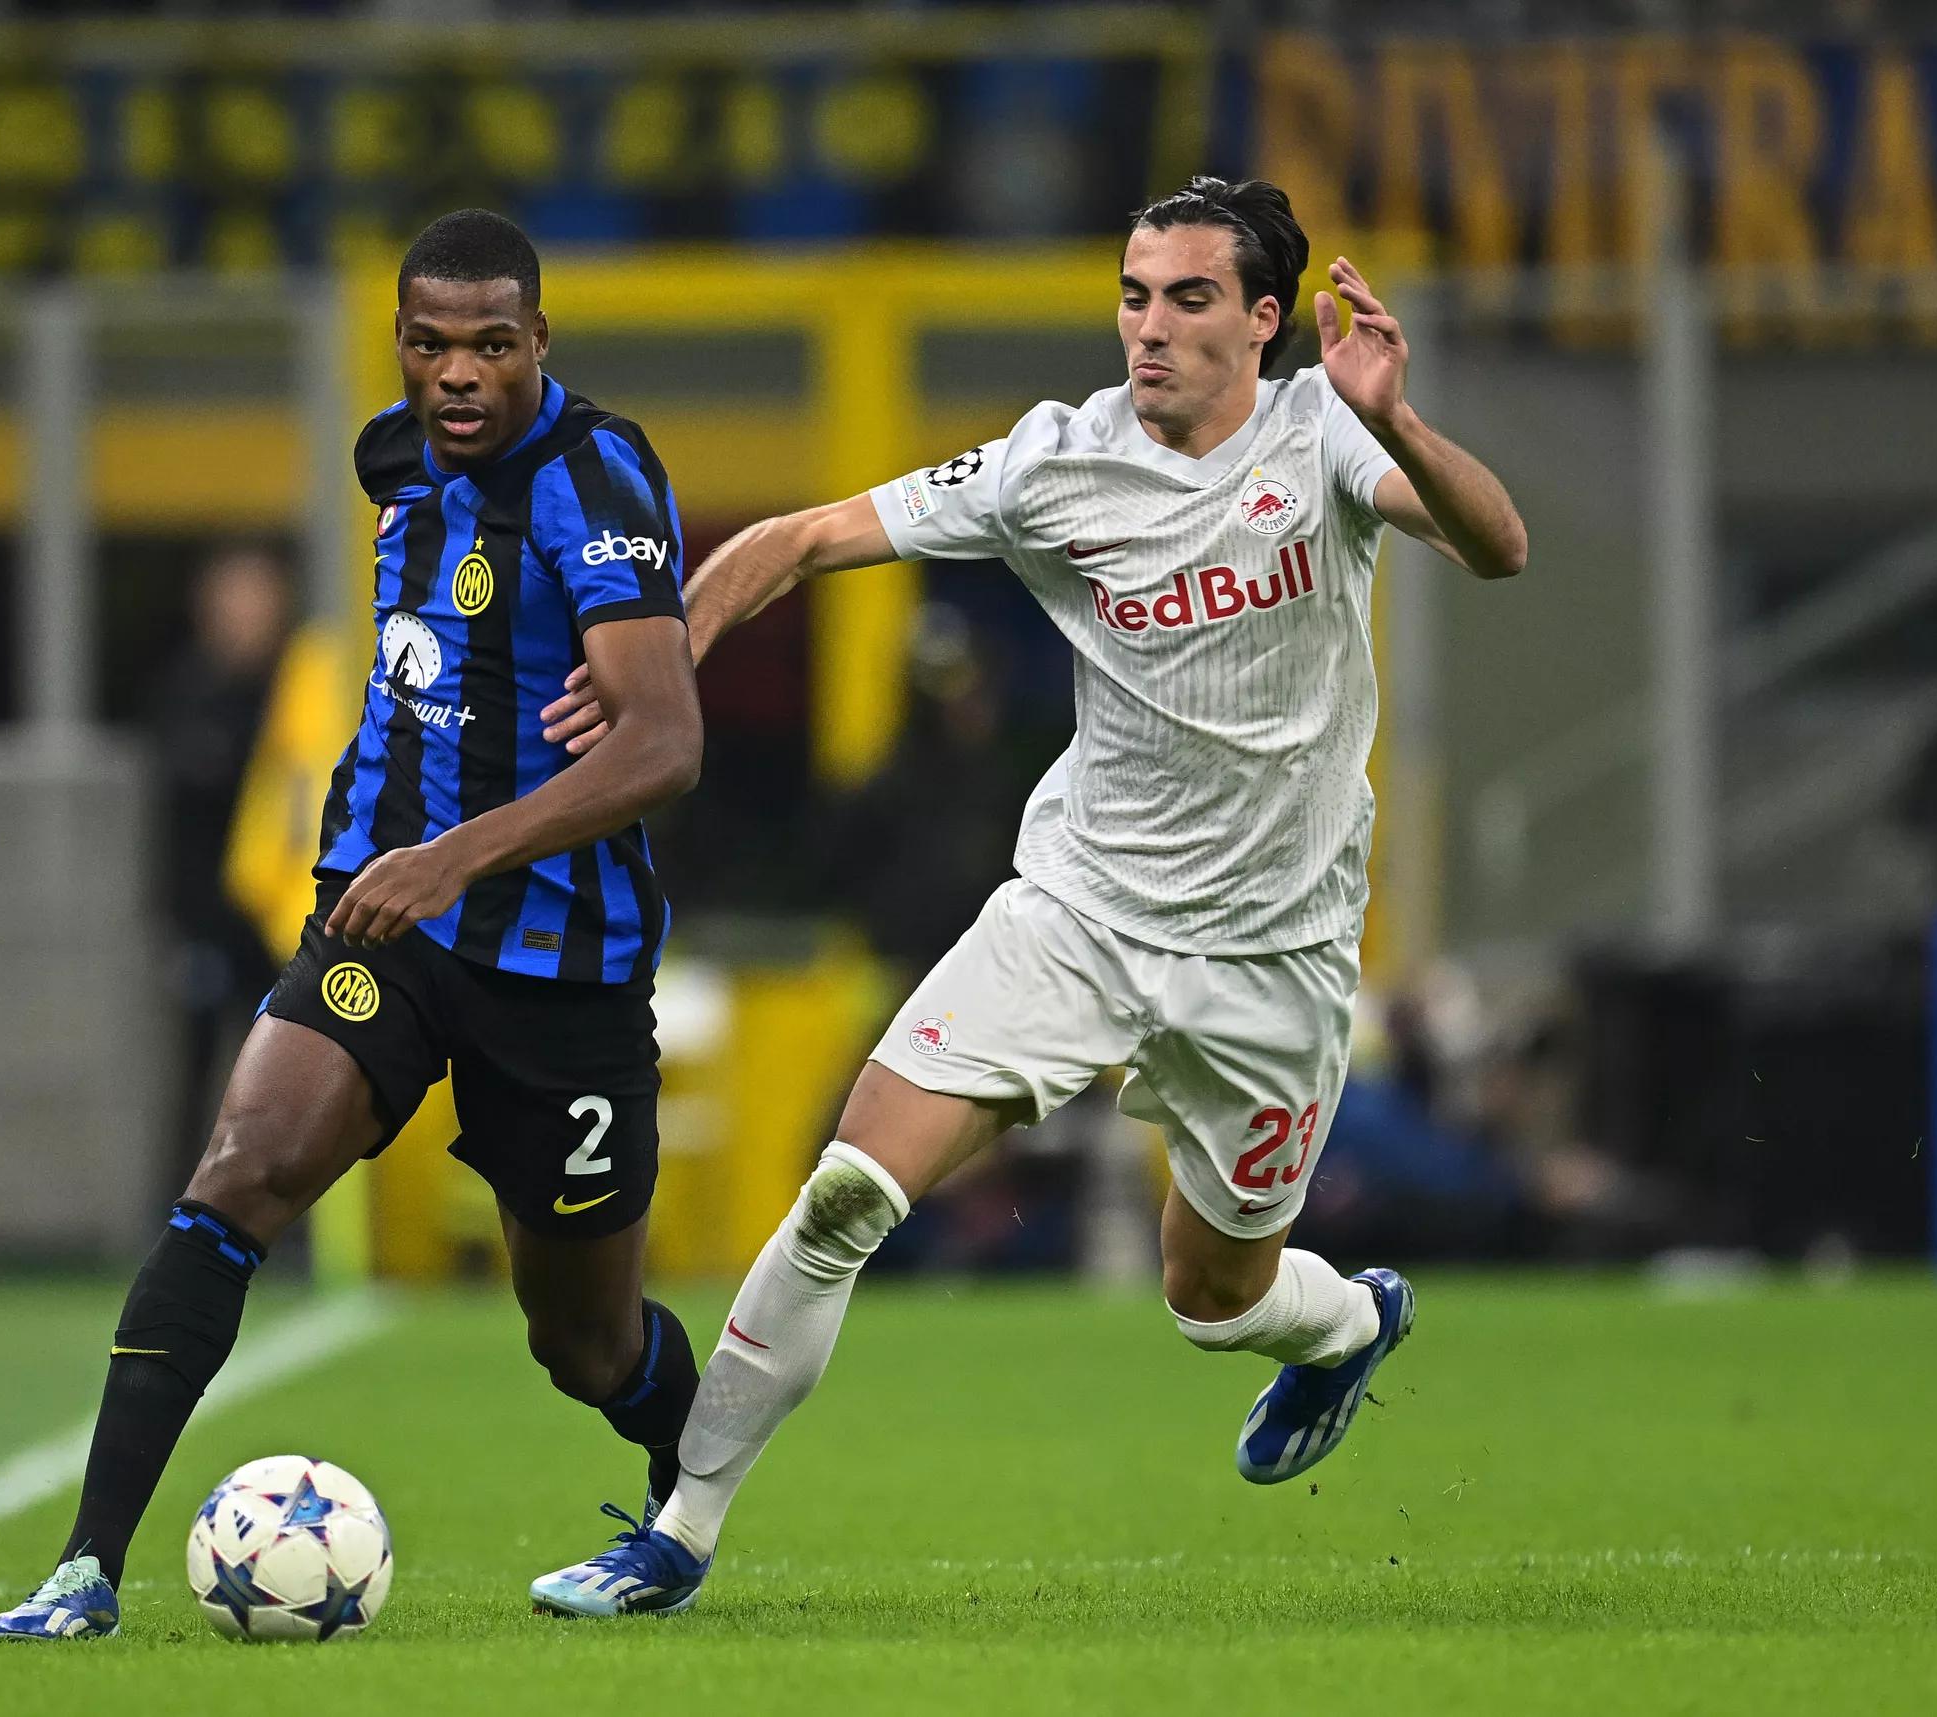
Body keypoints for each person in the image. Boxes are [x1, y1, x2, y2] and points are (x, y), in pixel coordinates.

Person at [528, 176, 1528, 1616]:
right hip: (1078, 917)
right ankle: (675, 1533)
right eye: (1134, 295)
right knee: (846, 1194)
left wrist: (1401, 421)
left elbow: (1498, 546)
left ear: (1264, 319)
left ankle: (1347, 1325)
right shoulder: (1053, 464)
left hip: (1275, 954)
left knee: (1215, 1300)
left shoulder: (1325, 435)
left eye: (1189, 298)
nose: (1150, 326)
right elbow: (794, 541)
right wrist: (662, 660)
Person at [0, 208, 707, 1640]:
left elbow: (664, 742)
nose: (459, 374)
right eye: (430, 344)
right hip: (384, 921)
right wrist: (400, 854)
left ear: (539, 341)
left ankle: (687, 1504)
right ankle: (83, 1569)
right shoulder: (394, 458)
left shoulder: (596, 475)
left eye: (491, 344)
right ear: (399, 344)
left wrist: (457, 854)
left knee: (585, 1342)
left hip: (560, 962)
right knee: (237, 1176)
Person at [150, 544, 291, 1203]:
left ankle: (283, 1214)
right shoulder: (186, 692)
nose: (246, 612)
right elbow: (170, 827)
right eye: (234, 597)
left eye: (258, 597)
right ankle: (177, 1209)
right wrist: (177, 926)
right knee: (199, 1070)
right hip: (208, 920)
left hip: (279, 920)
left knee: (285, 1074)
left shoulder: (296, 691)